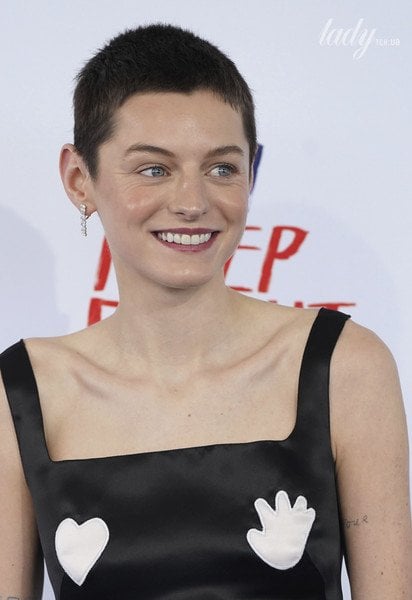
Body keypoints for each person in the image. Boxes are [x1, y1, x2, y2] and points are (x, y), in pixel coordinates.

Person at [0, 23, 410, 600]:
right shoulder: (21, 393)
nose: (192, 203)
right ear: (78, 178)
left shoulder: (345, 367)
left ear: (252, 170)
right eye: (154, 169)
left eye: (221, 168)